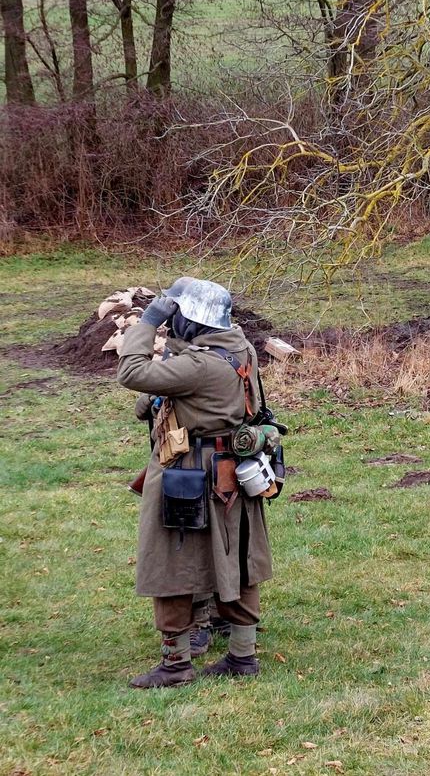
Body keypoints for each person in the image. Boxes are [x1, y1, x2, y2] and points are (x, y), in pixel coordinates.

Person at [117, 277, 272, 689]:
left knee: (171, 562)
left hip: (188, 471)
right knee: (237, 561)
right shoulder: (240, 347)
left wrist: (149, 321)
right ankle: (242, 657)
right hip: (229, 472)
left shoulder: (198, 365)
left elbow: (130, 371)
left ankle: (175, 664)